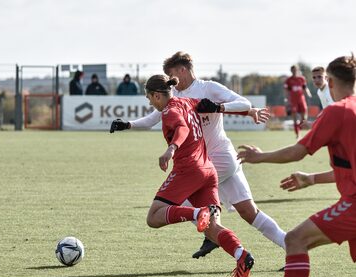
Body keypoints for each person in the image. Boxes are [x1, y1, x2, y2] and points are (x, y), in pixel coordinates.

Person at [110, 52, 286, 259]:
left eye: (172, 74)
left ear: (183, 70)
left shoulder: (208, 88)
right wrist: (128, 124)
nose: (170, 81)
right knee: (249, 212)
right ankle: (290, 245)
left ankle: (215, 236)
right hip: (214, 163)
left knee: (174, 206)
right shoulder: (174, 95)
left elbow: (244, 103)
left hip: (215, 159)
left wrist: (221, 107)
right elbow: (151, 119)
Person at [237, 54, 356, 277]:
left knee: (295, 239)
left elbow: (297, 152)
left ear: (330, 82)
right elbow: (348, 170)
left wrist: (259, 157)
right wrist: (311, 179)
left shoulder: (336, 111)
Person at [144, 74, 254, 277]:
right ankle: (242, 256)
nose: (149, 102)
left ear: (157, 96)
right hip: (208, 170)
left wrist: (171, 149)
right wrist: (250, 111)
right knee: (212, 229)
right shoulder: (187, 101)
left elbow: (182, 128)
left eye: (149, 97)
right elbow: (210, 106)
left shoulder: (170, 111)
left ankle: (196, 213)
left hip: (189, 170)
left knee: (153, 217)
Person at [284, 65, 312, 138]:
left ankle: (300, 128)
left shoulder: (302, 79)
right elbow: (287, 91)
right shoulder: (289, 80)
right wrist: (287, 99)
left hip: (301, 100)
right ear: (291, 71)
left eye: (296, 70)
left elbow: (305, 88)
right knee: (295, 119)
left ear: (298, 70)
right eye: (293, 70)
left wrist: (308, 93)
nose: (294, 71)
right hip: (293, 101)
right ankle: (298, 134)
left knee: (304, 119)